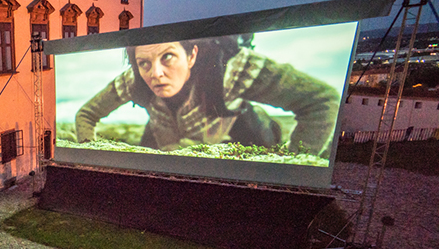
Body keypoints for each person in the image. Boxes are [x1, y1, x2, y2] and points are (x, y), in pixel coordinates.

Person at [73, 36, 340, 156]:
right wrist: (88, 156)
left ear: (192, 55)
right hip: (164, 133)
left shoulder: (232, 69)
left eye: (168, 57)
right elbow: (86, 114)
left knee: (267, 142)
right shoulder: (135, 79)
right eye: (144, 63)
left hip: (236, 125)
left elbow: (322, 101)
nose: (155, 73)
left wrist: (295, 166)